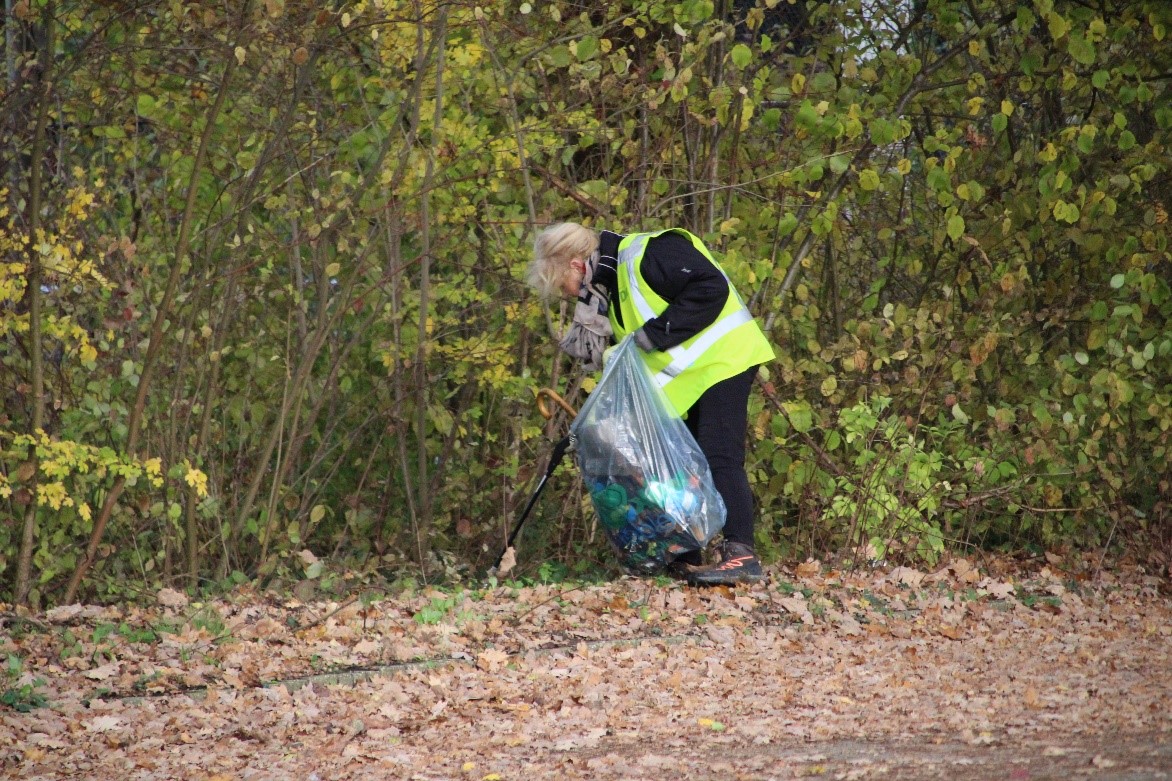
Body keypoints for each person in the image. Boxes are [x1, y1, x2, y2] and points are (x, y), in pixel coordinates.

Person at [527, 222, 775, 586]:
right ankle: (686, 555)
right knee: (683, 466)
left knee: (719, 455)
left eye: (569, 286)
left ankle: (742, 555)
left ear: (577, 264)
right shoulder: (611, 290)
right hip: (691, 379)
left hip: (726, 359)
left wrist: (652, 335)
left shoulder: (649, 254)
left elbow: (711, 288)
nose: (573, 296)